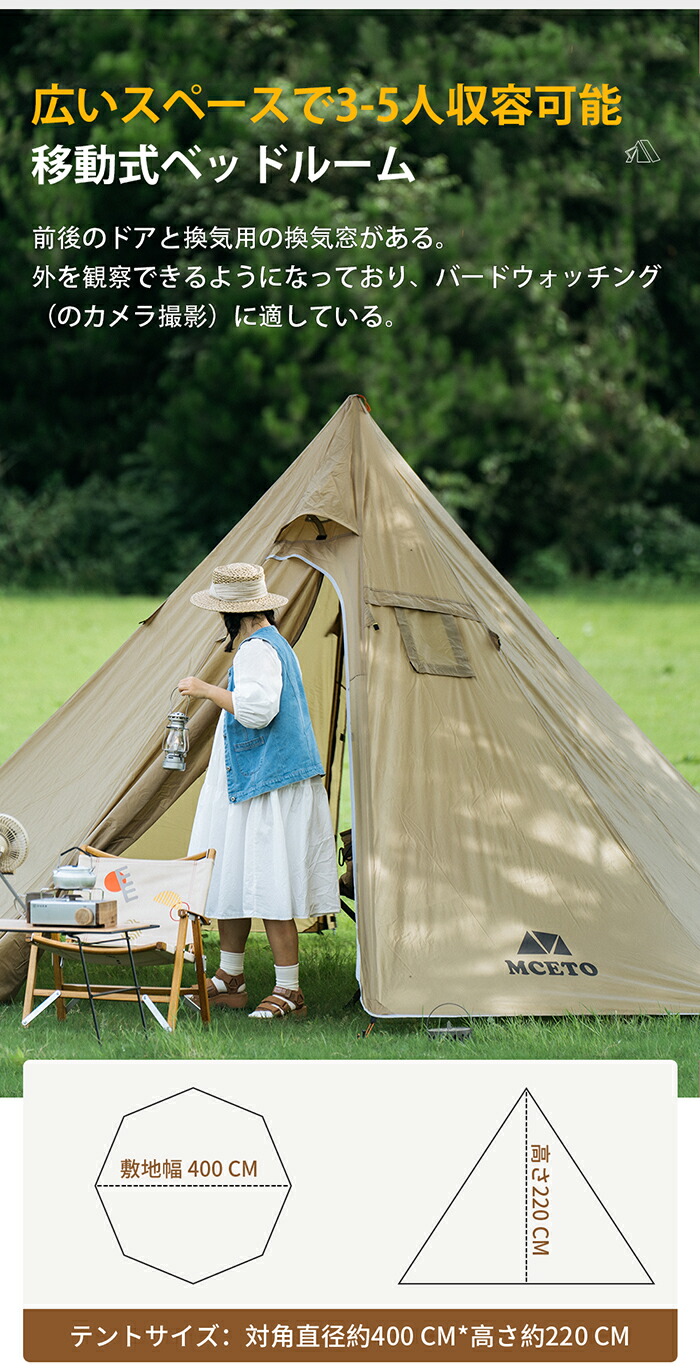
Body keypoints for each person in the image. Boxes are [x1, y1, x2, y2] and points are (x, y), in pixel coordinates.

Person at [178, 562, 340, 1019]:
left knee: (268, 880)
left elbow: (257, 711)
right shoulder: (271, 643)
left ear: (230, 613)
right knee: (234, 873)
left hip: (269, 784)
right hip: (251, 781)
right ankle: (230, 978)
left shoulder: (256, 649)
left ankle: (290, 990)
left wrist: (204, 689)